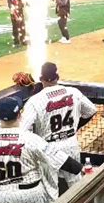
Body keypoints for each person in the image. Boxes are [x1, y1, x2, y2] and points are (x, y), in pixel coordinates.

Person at [0, 97, 83, 203]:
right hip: (30, 193)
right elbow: (57, 158)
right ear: (19, 115)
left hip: (0, 196)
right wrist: (80, 169)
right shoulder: (31, 139)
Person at [21, 62, 97, 194]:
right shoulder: (73, 92)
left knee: (51, 190)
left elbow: (23, 130)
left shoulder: (35, 100)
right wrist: (76, 127)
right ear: (57, 77)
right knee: (76, 185)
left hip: (48, 149)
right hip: (71, 144)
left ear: (41, 79)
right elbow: (91, 110)